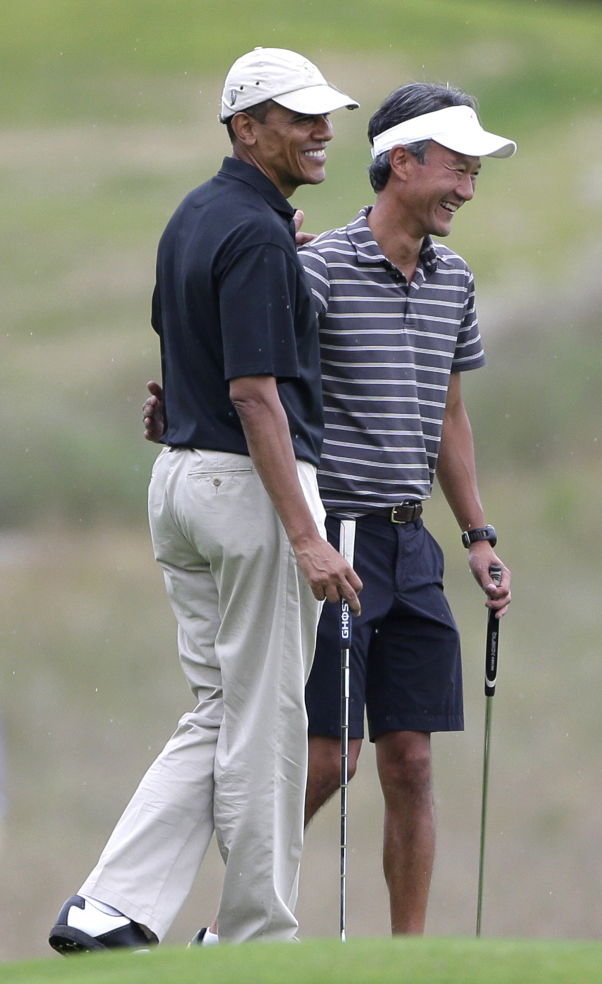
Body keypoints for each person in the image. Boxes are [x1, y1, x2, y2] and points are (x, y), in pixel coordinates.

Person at [144, 82, 514, 941]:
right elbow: (251, 366)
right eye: (456, 168)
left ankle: (408, 956)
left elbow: (449, 415)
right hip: (333, 532)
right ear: (401, 163)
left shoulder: (454, 278)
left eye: (472, 173)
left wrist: (478, 534)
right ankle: (232, 929)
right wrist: (186, 412)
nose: (466, 187)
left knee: (412, 760)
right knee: (324, 759)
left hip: (409, 540)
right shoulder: (315, 266)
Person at [48, 47, 362, 955]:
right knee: (268, 718)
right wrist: (306, 536)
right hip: (251, 488)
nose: (321, 131)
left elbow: (182, 344)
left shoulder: (197, 214)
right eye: (297, 117)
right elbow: (257, 391)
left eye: (323, 115)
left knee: (223, 707)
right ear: (245, 126)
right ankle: (258, 936)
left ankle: (110, 905)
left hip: (183, 483)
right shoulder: (259, 233)